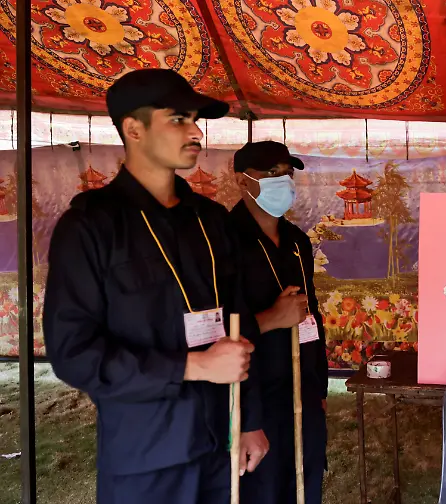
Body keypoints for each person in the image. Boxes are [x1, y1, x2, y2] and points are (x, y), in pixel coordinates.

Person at [43, 69, 269, 504]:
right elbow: (74, 354)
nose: (196, 131)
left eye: (195, 120)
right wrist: (194, 367)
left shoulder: (210, 220)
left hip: (222, 447)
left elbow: (240, 325)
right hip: (146, 456)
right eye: (179, 119)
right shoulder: (91, 226)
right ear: (134, 129)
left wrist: (249, 419)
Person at [228, 141, 328, 504]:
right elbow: (220, 328)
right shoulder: (224, 241)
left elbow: (312, 315)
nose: (282, 181)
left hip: (301, 384)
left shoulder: (297, 241)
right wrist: (272, 319)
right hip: (254, 390)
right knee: (264, 489)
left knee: (305, 480)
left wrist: (318, 387)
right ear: (242, 180)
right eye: (271, 173)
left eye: (286, 173)